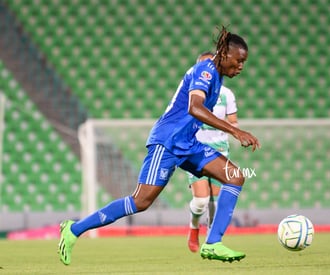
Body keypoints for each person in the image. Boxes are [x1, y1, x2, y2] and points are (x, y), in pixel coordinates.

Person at [58, 26, 260, 265]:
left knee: (235, 176)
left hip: (188, 144)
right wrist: (235, 130)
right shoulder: (205, 71)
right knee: (140, 202)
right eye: (238, 61)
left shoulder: (218, 77)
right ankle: (74, 229)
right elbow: (194, 108)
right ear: (224, 54)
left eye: (243, 63)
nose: (240, 67)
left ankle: (213, 243)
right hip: (168, 141)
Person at [186, 51, 239, 253]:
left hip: (219, 149)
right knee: (200, 201)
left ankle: (212, 240)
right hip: (194, 148)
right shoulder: (192, 93)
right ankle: (193, 227)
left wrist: (228, 128)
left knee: (215, 200)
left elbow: (234, 122)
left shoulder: (226, 94)